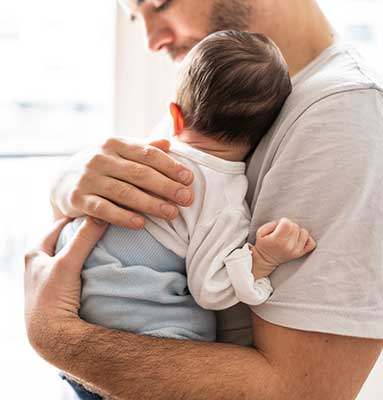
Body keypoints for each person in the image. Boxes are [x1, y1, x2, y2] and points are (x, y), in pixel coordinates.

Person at [24, 1, 383, 399]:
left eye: (159, 3)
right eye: (133, 16)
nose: (150, 40)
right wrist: (68, 184)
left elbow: (300, 392)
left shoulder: (343, 115)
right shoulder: (223, 92)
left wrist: (54, 335)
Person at [57, 30, 316, 397]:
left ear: (175, 117)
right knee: (195, 333)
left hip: (82, 315)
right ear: (262, 136)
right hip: (140, 335)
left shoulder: (142, 158)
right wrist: (262, 258)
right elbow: (211, 289)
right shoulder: (222, 201)